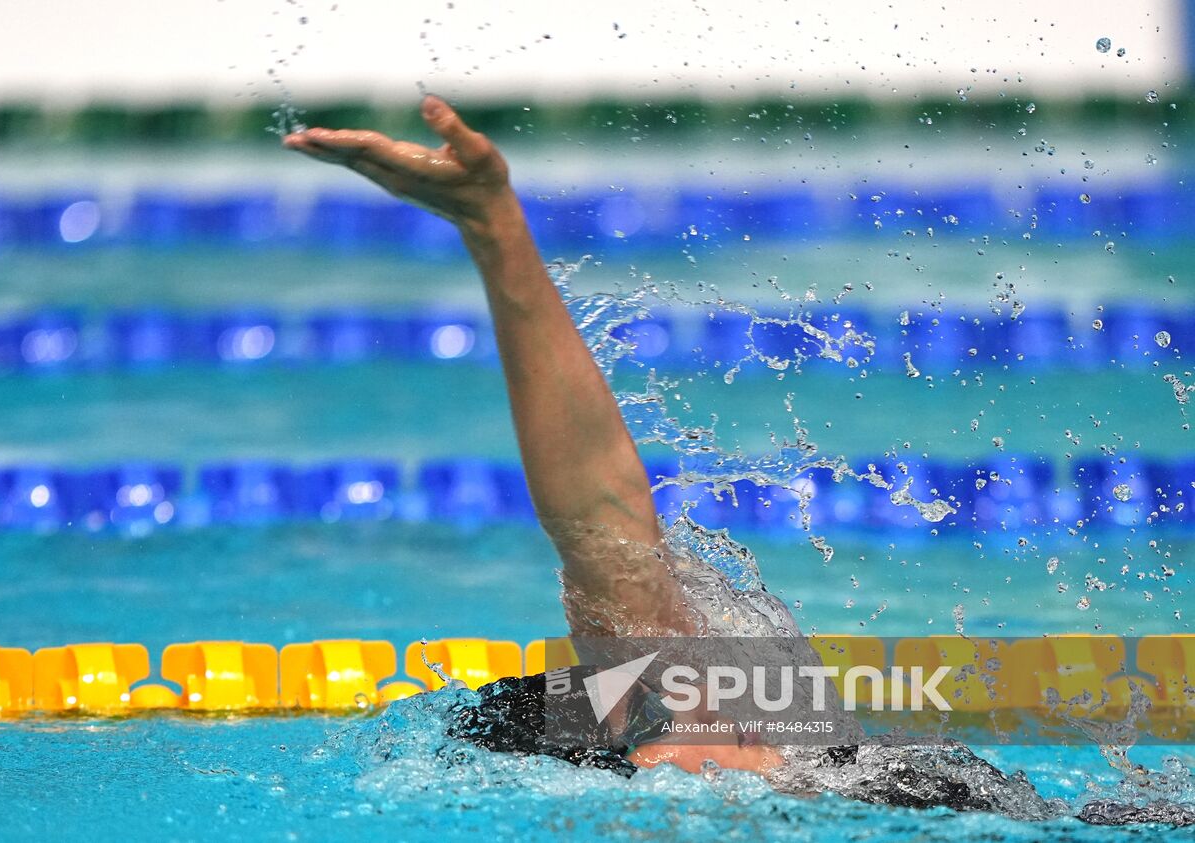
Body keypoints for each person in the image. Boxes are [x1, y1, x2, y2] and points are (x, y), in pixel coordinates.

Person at [284, 96, 1195, 827]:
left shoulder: (895, 785)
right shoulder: (590, 732)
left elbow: (608, 535)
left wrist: (494, 227)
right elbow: (605, 543)